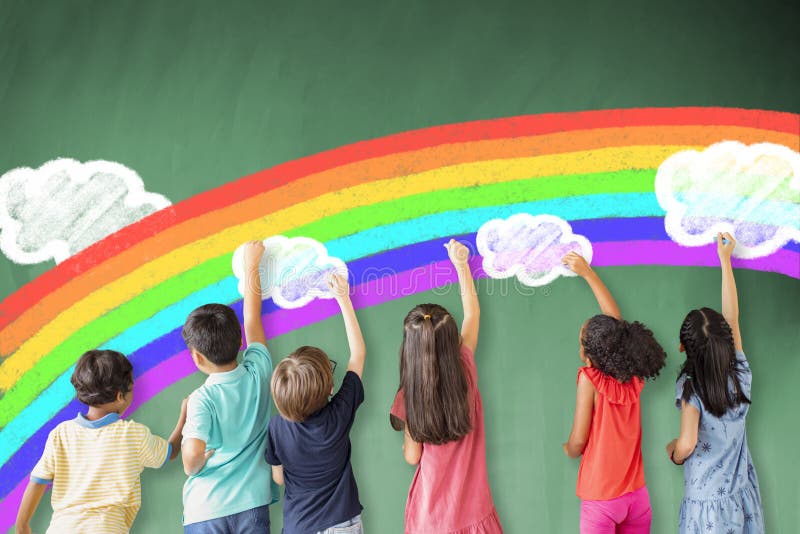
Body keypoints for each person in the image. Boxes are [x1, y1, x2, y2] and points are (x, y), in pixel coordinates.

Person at [389, 239, 503, 533]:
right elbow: (473, 315)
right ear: (451, 338)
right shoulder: (465, 369)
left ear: (410, 350)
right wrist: (461, 264)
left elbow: (412, 457)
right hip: (475, 514)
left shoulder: (409, 396)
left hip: (431, 521)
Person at [15, 349, 185, 534]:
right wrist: (185, 416)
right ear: (120, 396)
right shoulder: (132, 434)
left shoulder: (61, 434)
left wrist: (22, 525)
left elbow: (37, 481)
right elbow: (171, 451)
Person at [666, 232, 764, 533]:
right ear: (725, 343)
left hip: (706, 504)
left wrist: (673, 451)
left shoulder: (691, 388)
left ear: (683, 348)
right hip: (740, 494)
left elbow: (688, 442)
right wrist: (725, 261)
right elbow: (732, 319)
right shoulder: (740, 372)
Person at [562, 251, 666, 533]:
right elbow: (616, 326)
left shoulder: (589, 379)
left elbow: (578, 441)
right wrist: (587, 272)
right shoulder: (632, 375)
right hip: (638, 498)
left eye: (581, 342)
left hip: (602, 501)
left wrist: (569, 449)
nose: (580, 347)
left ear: (590, 353)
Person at [180, 240, 276, 533]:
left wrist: (193, 460)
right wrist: (251, 265)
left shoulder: (201, 399)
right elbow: (252, 317)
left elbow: (192, 459)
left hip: (206, 508)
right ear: (239, 343)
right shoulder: (259, 369)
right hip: (252, 504)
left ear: (197, 357)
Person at [265, 272, 367, 534]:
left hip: (300, 526)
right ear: (330, 388)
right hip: (343, 523)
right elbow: (358, 354)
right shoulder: (339, 415)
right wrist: (343, 298)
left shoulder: (276, 427)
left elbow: (278, 477)